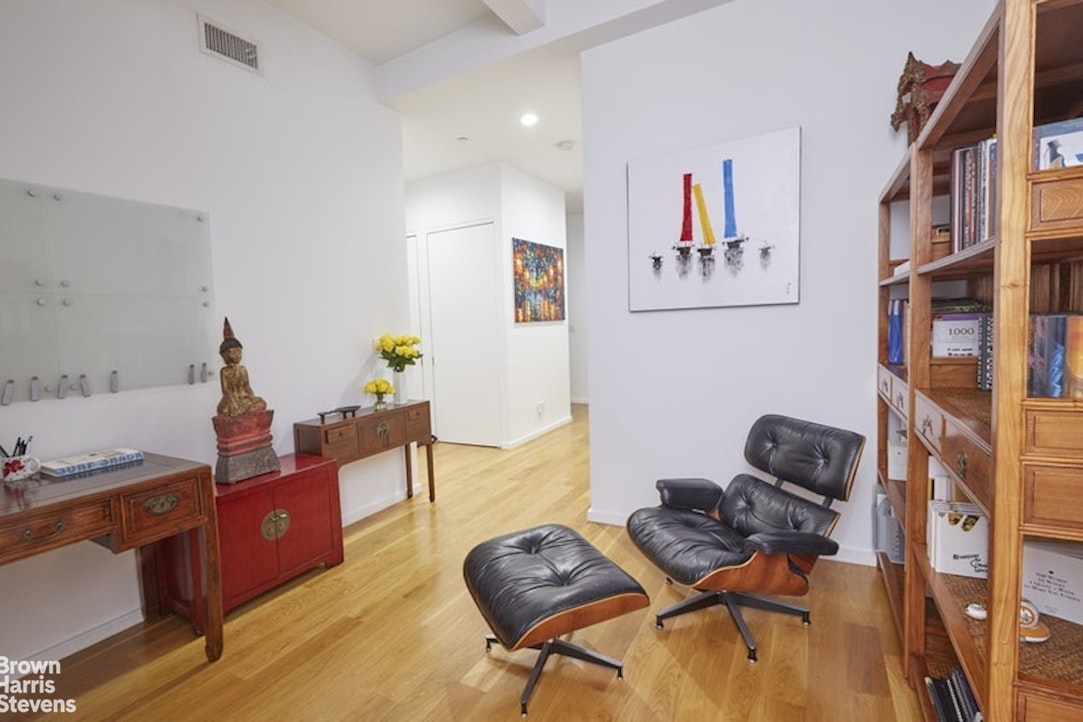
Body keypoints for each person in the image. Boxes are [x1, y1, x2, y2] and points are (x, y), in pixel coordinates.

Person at [216, 318, 267, 417]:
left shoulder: (242, 369)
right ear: (224, 355)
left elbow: (247, 387)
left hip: (244, 398)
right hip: (231, 400)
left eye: (239, 352)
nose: (237, 355)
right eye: (233, 352)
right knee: (223, 411)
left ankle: (243, 411)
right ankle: (241, 412)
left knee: (261, 403)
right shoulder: (224, 371)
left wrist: (251, 397)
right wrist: (234, 403)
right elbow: (226, 391)